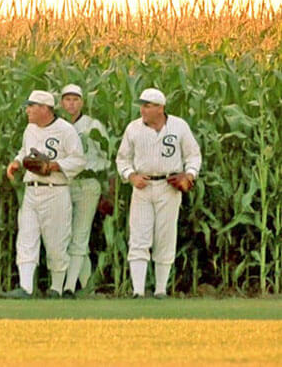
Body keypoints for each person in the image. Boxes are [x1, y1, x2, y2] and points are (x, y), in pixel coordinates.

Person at [116, 88, 201, 298]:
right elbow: (122, 158)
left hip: (168, 186)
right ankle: (138, 291)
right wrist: (130, 176)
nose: (142, 109)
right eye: (142, 105)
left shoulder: (179, 126)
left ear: (160, 108)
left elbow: (193, 155)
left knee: (165, 236)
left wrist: (189, 176)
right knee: (139, 236)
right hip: (142, 186)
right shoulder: (133, 128)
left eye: (147, 105)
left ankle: (161, 290)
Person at [4, 90, 86, 299]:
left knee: (57, 241)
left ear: (44, 108)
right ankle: (26, 287)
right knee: (26, 238)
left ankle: (57, 288)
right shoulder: (30, 129)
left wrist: (54, 165)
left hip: (55, 190)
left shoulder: (65, 130)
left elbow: (78, 160)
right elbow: (25, 152)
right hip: (32, 189)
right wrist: (16, 162)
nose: (28, 110)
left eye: (32, 106)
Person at [59, 84, 111, 298]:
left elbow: (106, 155)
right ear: (61, 103)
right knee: (70, 235)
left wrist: (107, 186)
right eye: (67, 99)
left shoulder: (92, 125)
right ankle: (86, 286)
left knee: (80, 234)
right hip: (65, 183)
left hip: (88, 183)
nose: (71, 103)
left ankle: (69, 287)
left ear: (82, 102)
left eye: (76, 99)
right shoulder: (58, 126)